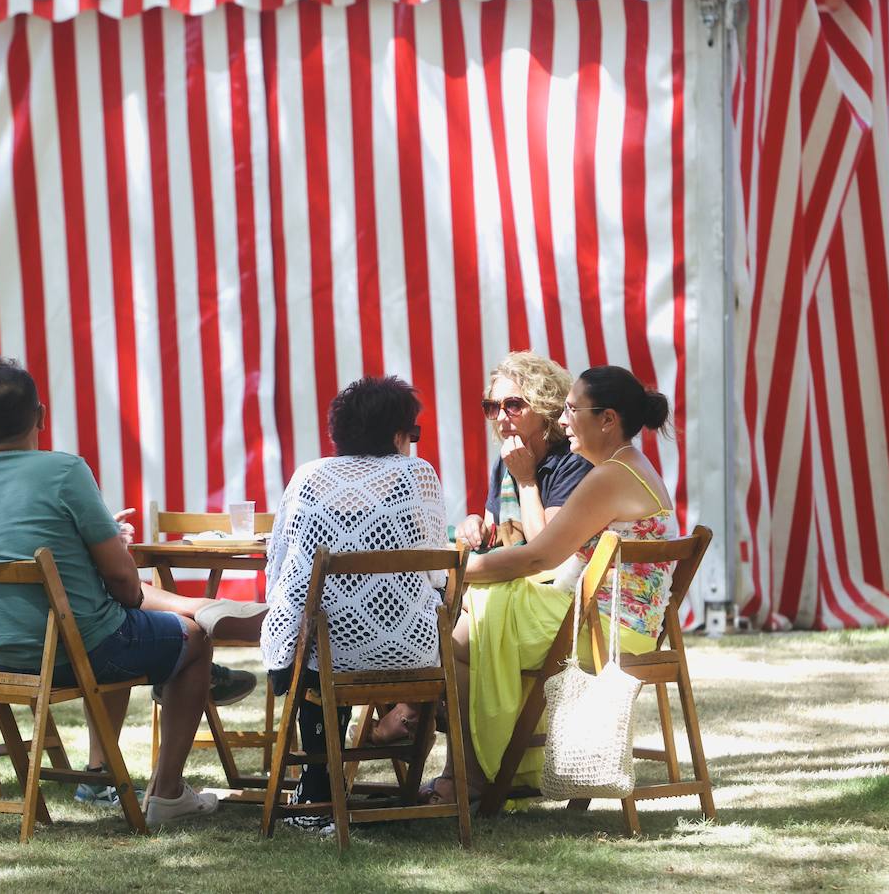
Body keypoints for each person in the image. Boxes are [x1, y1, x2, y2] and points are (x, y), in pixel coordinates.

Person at [0, 361, 218, 829]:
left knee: (137, 631)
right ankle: (168, 792)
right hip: (83, 649)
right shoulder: (65, 472)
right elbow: (126, 587)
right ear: (40, 415)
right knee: (195, 639)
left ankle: (103, 771)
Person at [426, 365, 679, 804]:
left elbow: (540, 554)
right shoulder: (628, 468)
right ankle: (485, 775)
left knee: (461, 636)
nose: (563, 421)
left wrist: (450, 570)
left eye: (571, 410)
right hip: (615, 623)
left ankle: (472, 780)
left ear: (607, 419)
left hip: (603, 631)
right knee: (476, 614)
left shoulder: (608, 476)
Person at [260, 376, 448, 833]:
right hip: (412, 649)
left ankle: (318, 787)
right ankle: (380, 753)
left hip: (324, 652)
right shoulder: (416, 475)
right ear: (397, 433)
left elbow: (282, 563)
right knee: (341, 629)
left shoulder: (308, 476)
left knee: (316, 635)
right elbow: (437, 572)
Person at [456, 352, 592, 551]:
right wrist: (474, 525)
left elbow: (546, 549)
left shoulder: (573, 459)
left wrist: (526, 481)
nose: (501, 417)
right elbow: (495, 532)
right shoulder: (507, 460)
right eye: (493, 407)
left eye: (513, 405)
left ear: (545, 405)